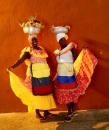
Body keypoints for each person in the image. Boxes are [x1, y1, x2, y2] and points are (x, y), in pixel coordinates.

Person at [7, 35, 56, 121]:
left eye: (35, 40)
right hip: (34, 75)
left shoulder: (41, 49)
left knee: (46, 91)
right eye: (32, 40)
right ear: (29, 41)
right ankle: (37, 113)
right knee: (36, 92)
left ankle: (46, 111)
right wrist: (12, 67)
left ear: (37, 40)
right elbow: (21, 60)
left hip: (44, 75)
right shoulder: (28, 51)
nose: (34, 41)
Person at [53, 33, 78, 122]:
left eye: (63, 39)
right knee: (65, 92)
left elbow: (77, 57)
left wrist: (83, 52)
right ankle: (73, 109)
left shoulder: (71, 47)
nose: (62, 41)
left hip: (68, 73)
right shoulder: (59, 50)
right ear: (58, 41)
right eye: (60, 40)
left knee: (68, 91)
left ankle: (69, 112)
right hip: (60, 73)